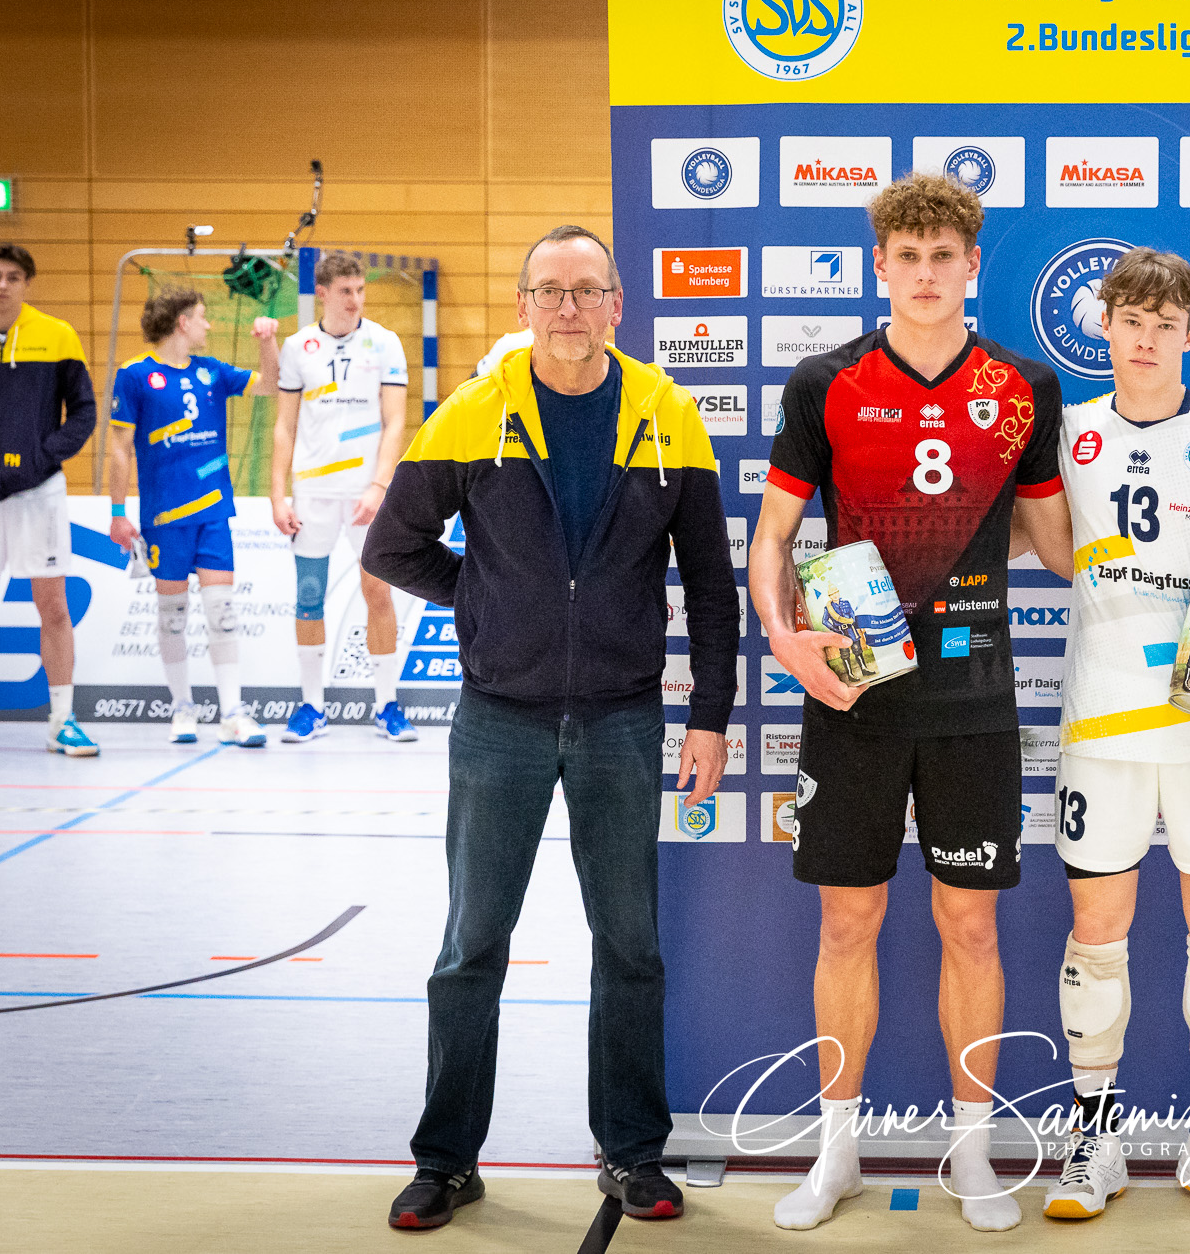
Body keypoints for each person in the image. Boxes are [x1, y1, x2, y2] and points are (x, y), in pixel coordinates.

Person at [363, 225, 738, 1231]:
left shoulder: (667, 413)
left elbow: (709, 585)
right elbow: (393, 543)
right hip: (498, 724)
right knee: (469, 947)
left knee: (628, 948)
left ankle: (630, 1153)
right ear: (523, 305)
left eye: (586, 291)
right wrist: (483, 603)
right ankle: (445, 1160)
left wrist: (709, 715)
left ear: (618, 304)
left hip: (622, 720)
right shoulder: (472, 413)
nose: (568, 309)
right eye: (549, 291)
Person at [750, 173, 1065, 1234]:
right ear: (877, 265)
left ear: (973, 266)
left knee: (969, 929)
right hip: (855, 694)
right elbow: (770, 540)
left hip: (974, 697)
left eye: (945, 257)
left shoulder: (1024, 386)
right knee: (848, 922)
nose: (926, 275)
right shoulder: (823, 382)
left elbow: (1055, 544)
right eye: (907, 257)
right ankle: (834, 1153)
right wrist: (788, 642)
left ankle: (970, 1156)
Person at [1013, 248, 1190, 1225]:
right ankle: (1092, 1141)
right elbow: (1006, 536)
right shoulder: (1066, 433)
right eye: (1129, 320)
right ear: (1104, 325)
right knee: (1097, 940)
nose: (1144, 339)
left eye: (1164, 323)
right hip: (1099, 731)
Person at [106, 286, 280, 744]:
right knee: (171, 615)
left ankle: (233, 714)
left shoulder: (212, 372)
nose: (209, 325)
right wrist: (118, 512)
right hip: (164, 517)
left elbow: (268, 384)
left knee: (222, 613)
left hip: (213, 512)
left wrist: (267, 343)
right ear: (183, 321)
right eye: (203, 317)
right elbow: (119, 450)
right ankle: (182, 709)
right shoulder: (135, 376)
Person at [261, 252, 415, 742]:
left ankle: (387, 705)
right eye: (346, 291)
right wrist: (276, 493)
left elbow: (395, 422)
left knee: (378, 592)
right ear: (323, 294)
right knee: (309, 596)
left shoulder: (385, 343)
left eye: (361, 290)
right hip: (313, 494)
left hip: (366, 497)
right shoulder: (297, 347)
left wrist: (379, 485)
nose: (356, 300)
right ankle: (311, 708)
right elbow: (284, 426)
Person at [0, 244, 99, 758]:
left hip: (39, 492)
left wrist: (44, 458)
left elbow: (84, 412)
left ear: (26, 284)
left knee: (53, 605)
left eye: (13, 277)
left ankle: (63, 721)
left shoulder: (56, 336)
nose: (2, 285)